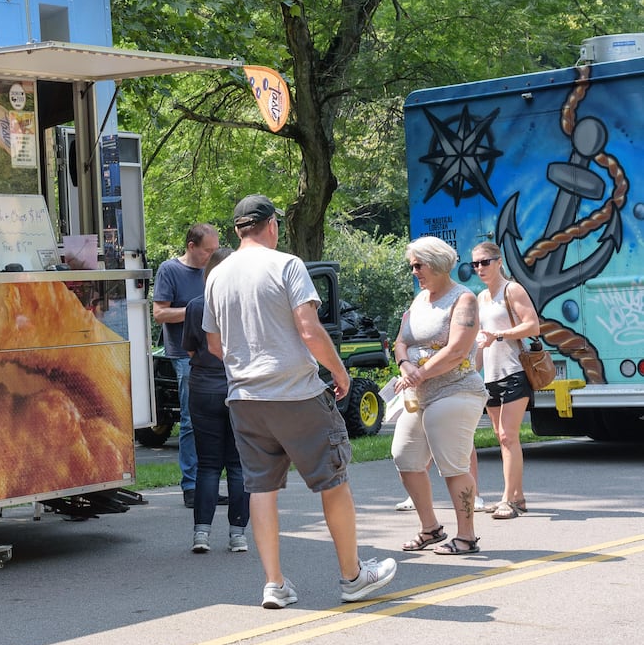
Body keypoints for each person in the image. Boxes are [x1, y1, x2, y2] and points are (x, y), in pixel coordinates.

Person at [204, 195, 397, 608]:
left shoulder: (217, 276)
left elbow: (215, 345)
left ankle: (274, 583)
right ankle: (352, 576)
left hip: (244, 399)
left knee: (261, 488)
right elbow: (309, 330)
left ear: (238, 230)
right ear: (272, 225)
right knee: (334, 480)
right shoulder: (287, 264)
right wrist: (340, 373)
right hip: (295, 392)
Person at [391, 236, 487, 556]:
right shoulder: (419, 301)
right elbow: (400, 341)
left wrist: (419, 373)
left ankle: (467, 536)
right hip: (420, 393)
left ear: (438, 263)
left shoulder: (464, 300)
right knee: (404, 456)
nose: (414, 272)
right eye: (412, 266)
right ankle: (431, 529)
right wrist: (405, 365)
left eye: (419, 265)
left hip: (456, 390)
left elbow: (457, 349)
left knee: (453, 466)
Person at [182, 247, 248, 553]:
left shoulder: (196, 306)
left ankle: (201, 534)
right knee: (237, 465)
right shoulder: (246, 305)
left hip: (203, 388)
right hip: (238, 389)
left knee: (207, 466)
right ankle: (238, 535)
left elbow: (192, 350)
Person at [153, 223, 221, 508]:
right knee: (192, 421)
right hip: (185, 354)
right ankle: (191, 486)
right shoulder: (170, 271)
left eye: (215, 250)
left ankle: (211, 485)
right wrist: (196, 311)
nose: (212, 256)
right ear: (191, 246)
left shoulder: (215, 270)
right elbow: (160, 313)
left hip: (217, 353)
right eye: (208, 251)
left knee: (219, 421)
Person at [471, 241, 540, 519]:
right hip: (492, 376)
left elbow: (532, 325)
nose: (480, 268)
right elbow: (480, 341)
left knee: (509, 436)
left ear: (499, 262)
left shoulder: (512, 289)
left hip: (514, 372)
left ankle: (507, 500)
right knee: (501, 438)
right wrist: (470, 371)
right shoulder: (480, 298)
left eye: (485, 262)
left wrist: (499, 335)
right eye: (474, 264)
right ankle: (518, 497)